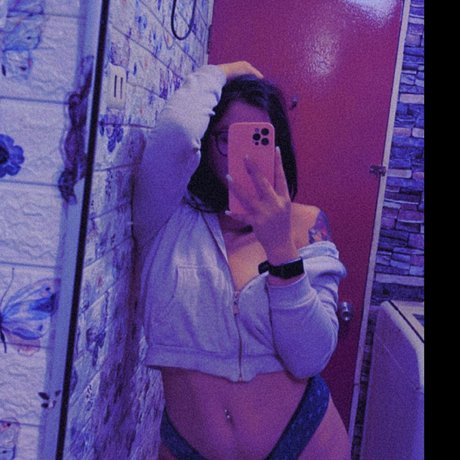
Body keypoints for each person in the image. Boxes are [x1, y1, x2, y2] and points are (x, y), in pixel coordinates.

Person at [133, 61, 351, 459]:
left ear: (277, 148)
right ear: (207, 142)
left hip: (304, 441)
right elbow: (177, 131)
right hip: (190, 448)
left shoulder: (306, 224)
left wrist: (281, 249)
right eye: (227, 138)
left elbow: (311, 357)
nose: (243, 155)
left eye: (258, 139)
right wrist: (224, 71)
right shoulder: (166, 216)